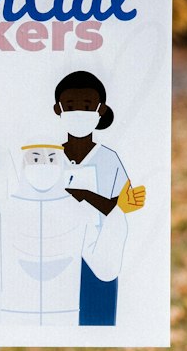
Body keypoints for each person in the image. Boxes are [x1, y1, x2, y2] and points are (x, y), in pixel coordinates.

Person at [52, 69, 146, 326]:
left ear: (100, 110)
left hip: (97, 249)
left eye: (86, 106)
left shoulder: (108, 158)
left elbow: (120, 205)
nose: (78, 113)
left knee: (96, 316)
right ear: (58, 109)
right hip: (55, 248)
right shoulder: (49, 157)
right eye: (70, 106)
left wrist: (85, 195)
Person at [0, 144, 129, 327]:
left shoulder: (78, 211)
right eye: (36, 159)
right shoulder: (7, 210)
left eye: (52, 159)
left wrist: (108, 211)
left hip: (64, 310)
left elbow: (104, 265)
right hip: (17, 311)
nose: (44, 166)